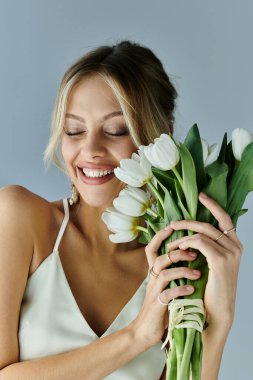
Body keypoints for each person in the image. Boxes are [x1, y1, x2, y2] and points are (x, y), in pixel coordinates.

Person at [0, 40, 243, 380]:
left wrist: (219, 322)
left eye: (115, 130)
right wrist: (136, 336)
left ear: (162, 134)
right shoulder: (20, 218)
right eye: (74, 130)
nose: (91, 149)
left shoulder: (176, 264)